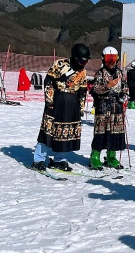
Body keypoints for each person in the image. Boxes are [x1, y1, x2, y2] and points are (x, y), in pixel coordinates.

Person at [32, 43, 90, 172]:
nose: (83, 63)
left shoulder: (82, 71)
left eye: (85, 61)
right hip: (56, 101)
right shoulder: (59, 65)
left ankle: (60, 159)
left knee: (65, 133)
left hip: (72, 103)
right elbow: (48, 83)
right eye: (81, 60)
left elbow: (82, 90)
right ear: (75, 57)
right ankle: (38, 159)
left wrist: (80, 107)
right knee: (48, 131)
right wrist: (49, 102)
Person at [89, 47, 127, 170]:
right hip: (103, 106)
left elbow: (125, 88)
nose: (111, 62)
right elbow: (95, 89)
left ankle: (111, 156)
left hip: (117, 107)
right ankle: (95, 157)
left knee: (115, 133)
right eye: (108, 60)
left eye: (113, 59)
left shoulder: (120, 73)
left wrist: (123, 95)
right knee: (101, 132)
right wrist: (107, 86)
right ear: (103, 59)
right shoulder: (99, 73)